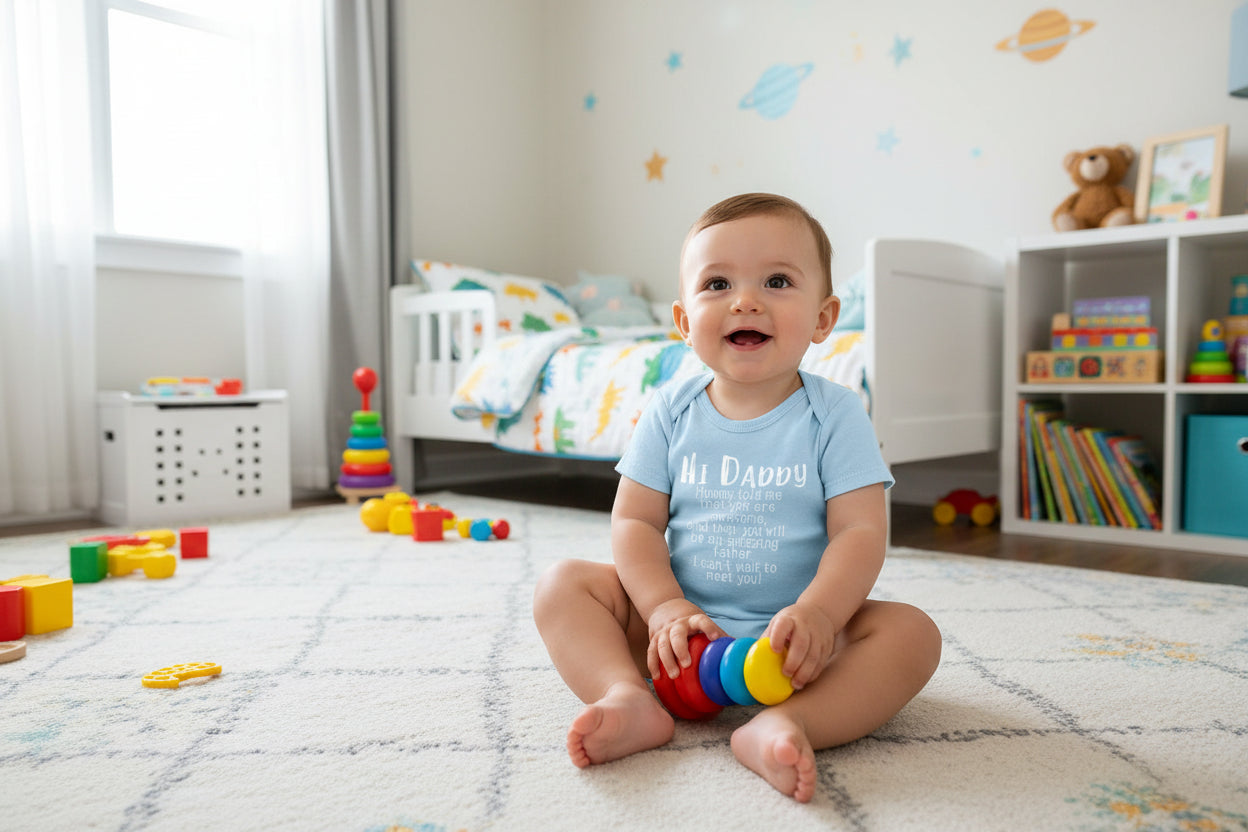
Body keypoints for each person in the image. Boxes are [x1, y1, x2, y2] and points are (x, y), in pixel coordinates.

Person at [532, 193, 941, 803]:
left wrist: (822, 617)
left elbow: (858, 532)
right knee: (562, 585)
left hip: (796, 644)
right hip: (676, 642)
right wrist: (665, 606)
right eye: (717, 283)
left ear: (824, 319)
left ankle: (792, 721)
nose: (745, 300)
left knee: (913, 634)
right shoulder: (671, 410)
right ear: (683, 321)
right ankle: (628, 697)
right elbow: (636, 524)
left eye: (777, 281)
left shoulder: (835, 414)